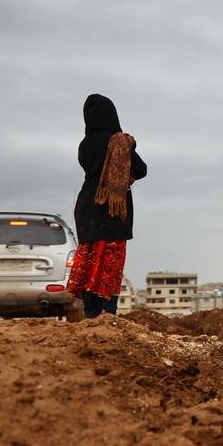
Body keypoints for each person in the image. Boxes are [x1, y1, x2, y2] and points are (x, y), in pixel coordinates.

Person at [67, 94, 147, 318]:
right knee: (109, 263)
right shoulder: (119, 141)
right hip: (111, 210)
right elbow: (141, 169)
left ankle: (90, 315)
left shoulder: (84, 145)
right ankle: (108, 314)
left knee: (91, 263)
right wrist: (129, 146)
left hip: (86, 208)